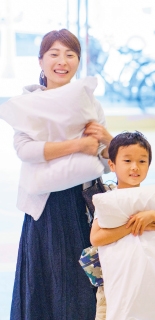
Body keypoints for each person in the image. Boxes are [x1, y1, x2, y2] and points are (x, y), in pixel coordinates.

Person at [10, 29, 113, 320]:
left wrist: (107, 138)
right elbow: (25, 150)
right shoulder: (29, 103)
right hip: (46, 208)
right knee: (47, 283)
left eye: (70, 54)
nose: (62, 61)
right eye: (54, 54)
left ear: (79, 61)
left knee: (84, 284)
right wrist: (77, 145)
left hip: (84, 204)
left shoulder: (90, 103)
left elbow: (108, 161)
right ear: (40, 60)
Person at [90, 131, 155, 319]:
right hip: (121, 278)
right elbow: (96, 237)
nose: (135, 167)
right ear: (112, 164)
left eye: (142, 161)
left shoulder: (154, 199)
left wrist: (153, 216)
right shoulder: (110, 200)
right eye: (127, 161)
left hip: (154, 281)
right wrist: (132, 226)